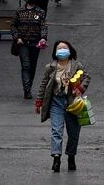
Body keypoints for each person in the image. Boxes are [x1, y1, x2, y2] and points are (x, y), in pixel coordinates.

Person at [35, 40, 90, 172]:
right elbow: (43, 84)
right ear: (55, 51)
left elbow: (86, 77)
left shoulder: (77, 65)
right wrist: (39, 101)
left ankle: (71, 156)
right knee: (56, 131)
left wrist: (80, 89)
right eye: (59, 48)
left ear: (69, 50)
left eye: (64, 47)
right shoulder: (50, 67)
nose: (62, 50)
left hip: (73, 103)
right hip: (56, 102)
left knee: (73, 133)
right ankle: (56, 158)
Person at [11, 0, 48, 99]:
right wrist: (17, 37)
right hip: (23, 43)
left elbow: (43, 26)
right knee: (26, 66)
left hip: (35, 43)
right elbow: (13, 25)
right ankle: (27, 90)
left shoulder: (40, 12)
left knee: (32, 66)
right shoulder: (20, 11)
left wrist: (43, 38)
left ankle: (29, 86)